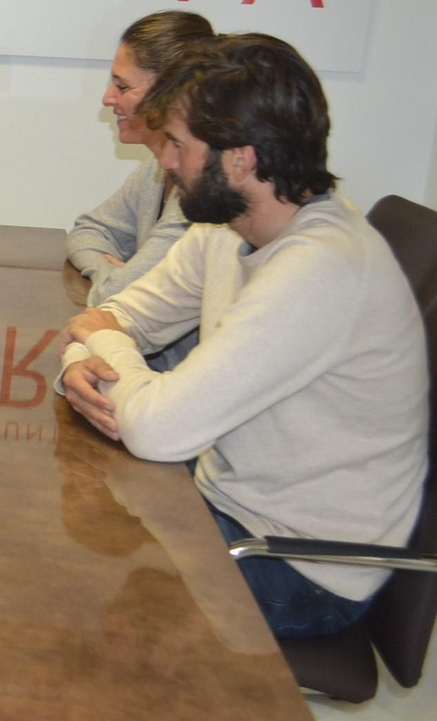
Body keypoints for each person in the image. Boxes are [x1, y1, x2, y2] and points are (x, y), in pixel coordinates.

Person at [58, 33, 428, 638]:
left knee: (66, 581)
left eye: (179, 145)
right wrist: (82, 356)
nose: (165, 162)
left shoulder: (321, 268)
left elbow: (155, 428)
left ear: (240, 159)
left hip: (296, 567)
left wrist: (101, 340)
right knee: (49, 535)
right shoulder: (228, 228)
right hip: (221, 507)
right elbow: (114, 315)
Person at [66, 10, 214, 369]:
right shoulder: (156, 169)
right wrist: (118, 272)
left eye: (122, 86)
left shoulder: (204, 192)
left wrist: (118, 280)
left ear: (172, 93)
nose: (107, 98)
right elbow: (88, 230)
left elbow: (113, 297)